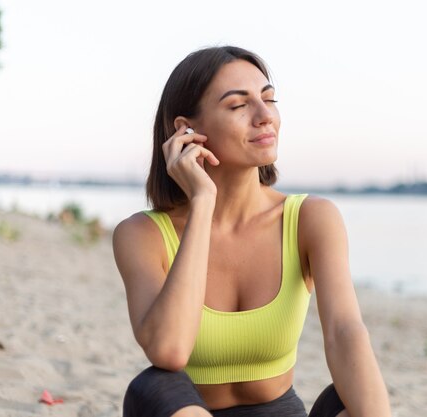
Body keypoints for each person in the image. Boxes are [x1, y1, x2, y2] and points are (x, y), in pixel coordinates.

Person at [112, 46, 391, 417]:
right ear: (186, 131)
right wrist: (202, 202)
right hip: (185, 411)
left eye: (269, 99)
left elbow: (345, 332)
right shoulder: (141, 234)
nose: (265, 117)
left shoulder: (312, 218)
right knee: (154, 386)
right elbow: (169, 351)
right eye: (238, 105)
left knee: (355, 396)